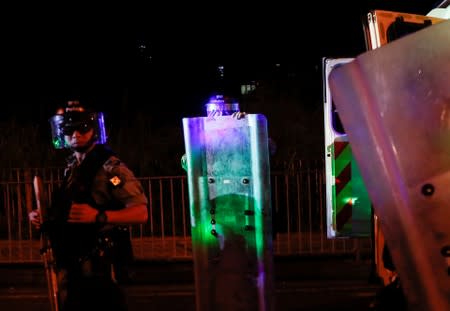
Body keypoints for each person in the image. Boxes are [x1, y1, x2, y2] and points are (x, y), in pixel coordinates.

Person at [29, 100, 148, 311]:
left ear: (93, 129)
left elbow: (140, 212)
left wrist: (99, 216)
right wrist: (43, 217)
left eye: (82, 127)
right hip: (72, 268)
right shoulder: (72, 168)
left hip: (98, 271)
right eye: (69, 128)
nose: (75, 134)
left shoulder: (111, 170)